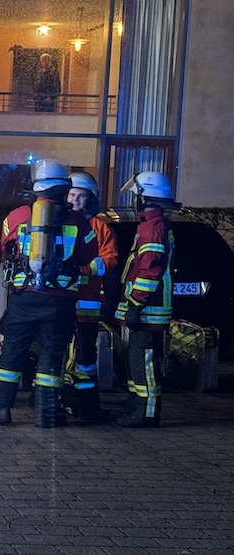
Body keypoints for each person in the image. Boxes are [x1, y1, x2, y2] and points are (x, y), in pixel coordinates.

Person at [0, 159, 97, 428]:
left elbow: (6, 246)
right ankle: (46, 414)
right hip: (60, 300)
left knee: (12, 351)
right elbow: (89, 255)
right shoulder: (78, 222)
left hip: (24, 297)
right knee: (52, 354)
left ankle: (1, 409)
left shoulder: (16, 217)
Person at [114, 171, 180, 428]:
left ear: (145, 197)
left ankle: (147, 413)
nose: (135, 200)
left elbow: (149, 272)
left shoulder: (153, 228)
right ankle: (136, 404)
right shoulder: (150, 224)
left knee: (145, 362)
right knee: (137, 361)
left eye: (137, 195)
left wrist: (135, 304)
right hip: (145, 309)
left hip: (148, 309)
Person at [63, 172, 118, 419]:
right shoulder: (59, 222)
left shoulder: (100, 227)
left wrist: (83, 268)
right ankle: (59, 398)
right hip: (62, 299)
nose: (74, 200)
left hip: (87, 301)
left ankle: (86, 404)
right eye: (72, 194)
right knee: (58, 351)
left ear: (90, 199)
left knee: (85, 356)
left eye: (81, 196)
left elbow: (110, 258)